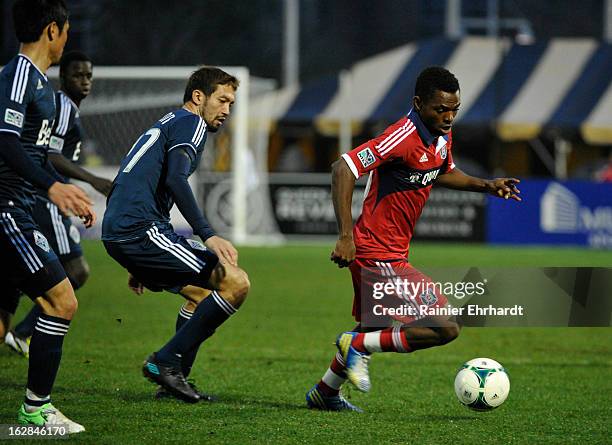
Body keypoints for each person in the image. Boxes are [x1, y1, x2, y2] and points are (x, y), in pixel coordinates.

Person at [305, 66, 521, 412]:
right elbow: (342, 168)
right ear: (418, 103)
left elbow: (444, 172)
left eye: (455, 110)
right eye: (441, 109)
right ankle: (356, 345)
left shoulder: (440, 133)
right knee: (445, 327)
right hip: (376, 253)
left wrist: (487, 185)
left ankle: (325, 392)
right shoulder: (402, 136)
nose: (449, 117)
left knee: (374, 325)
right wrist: (346, 236)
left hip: (392, 251)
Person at [102, 66, 250, 403]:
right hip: (139, 229)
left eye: (231, 103)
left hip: (124, 230)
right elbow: (175, 180)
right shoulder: (192, 123)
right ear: (199, 97)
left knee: (199, 293)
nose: (227, 110)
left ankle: (173, 380)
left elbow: (130, 181)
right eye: (222, 100)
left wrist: (135, 258)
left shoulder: (167, 123)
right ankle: (165, 361)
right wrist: (208, 234)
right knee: (236, 283)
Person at [0, 0, 95, 432]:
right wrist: (52, 186)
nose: (66, 41)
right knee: (62, 300)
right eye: (67, 33)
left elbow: (35, 152)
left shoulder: (39, 85)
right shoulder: (19, 75)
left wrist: (55, 189)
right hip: (6, 211)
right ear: (53, 31)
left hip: (20, 209)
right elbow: (6, 142)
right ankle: (36, 409)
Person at [5, 50, 112, 357]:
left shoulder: (67, 109)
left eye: (89, 75)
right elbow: (51, 156)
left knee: (60, 271)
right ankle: (24, 334)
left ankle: (22, 330)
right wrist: (92, 180)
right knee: (76, 271)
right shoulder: (63, 106)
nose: (85, 81)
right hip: (43, 197)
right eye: (78, 75)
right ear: (63, 77)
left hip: (41, 195)